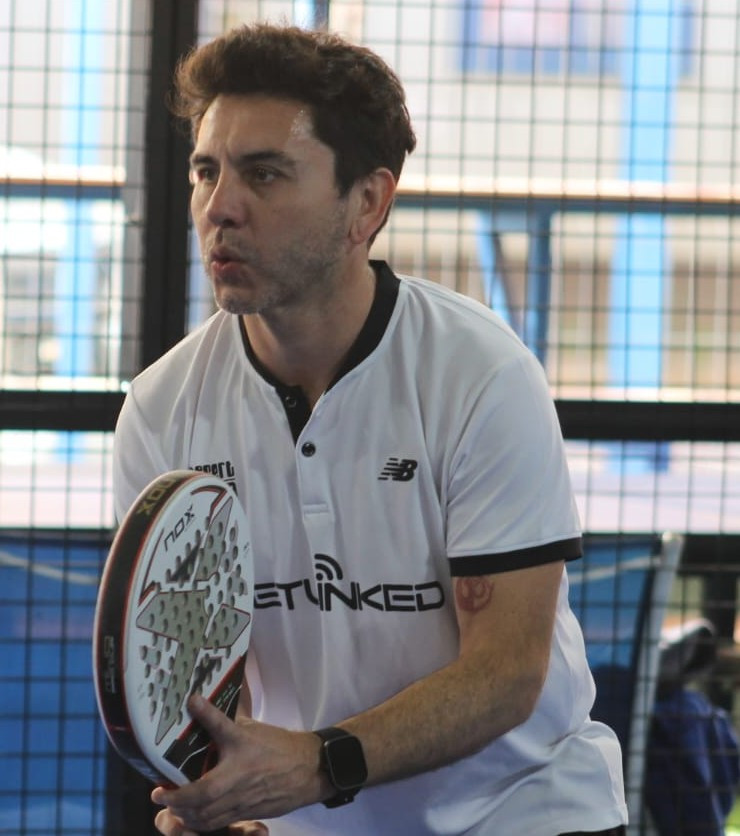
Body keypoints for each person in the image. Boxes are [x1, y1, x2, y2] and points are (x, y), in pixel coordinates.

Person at [112, 22, 628, 836]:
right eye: (206, 171)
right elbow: (198, 677)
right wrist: (221, 788)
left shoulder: (482, 374)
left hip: (525, 812)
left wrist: (319, 764)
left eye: (264, 174)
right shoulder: (160, 407)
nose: (219, 208)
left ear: (367, 204)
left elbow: (505, 672)